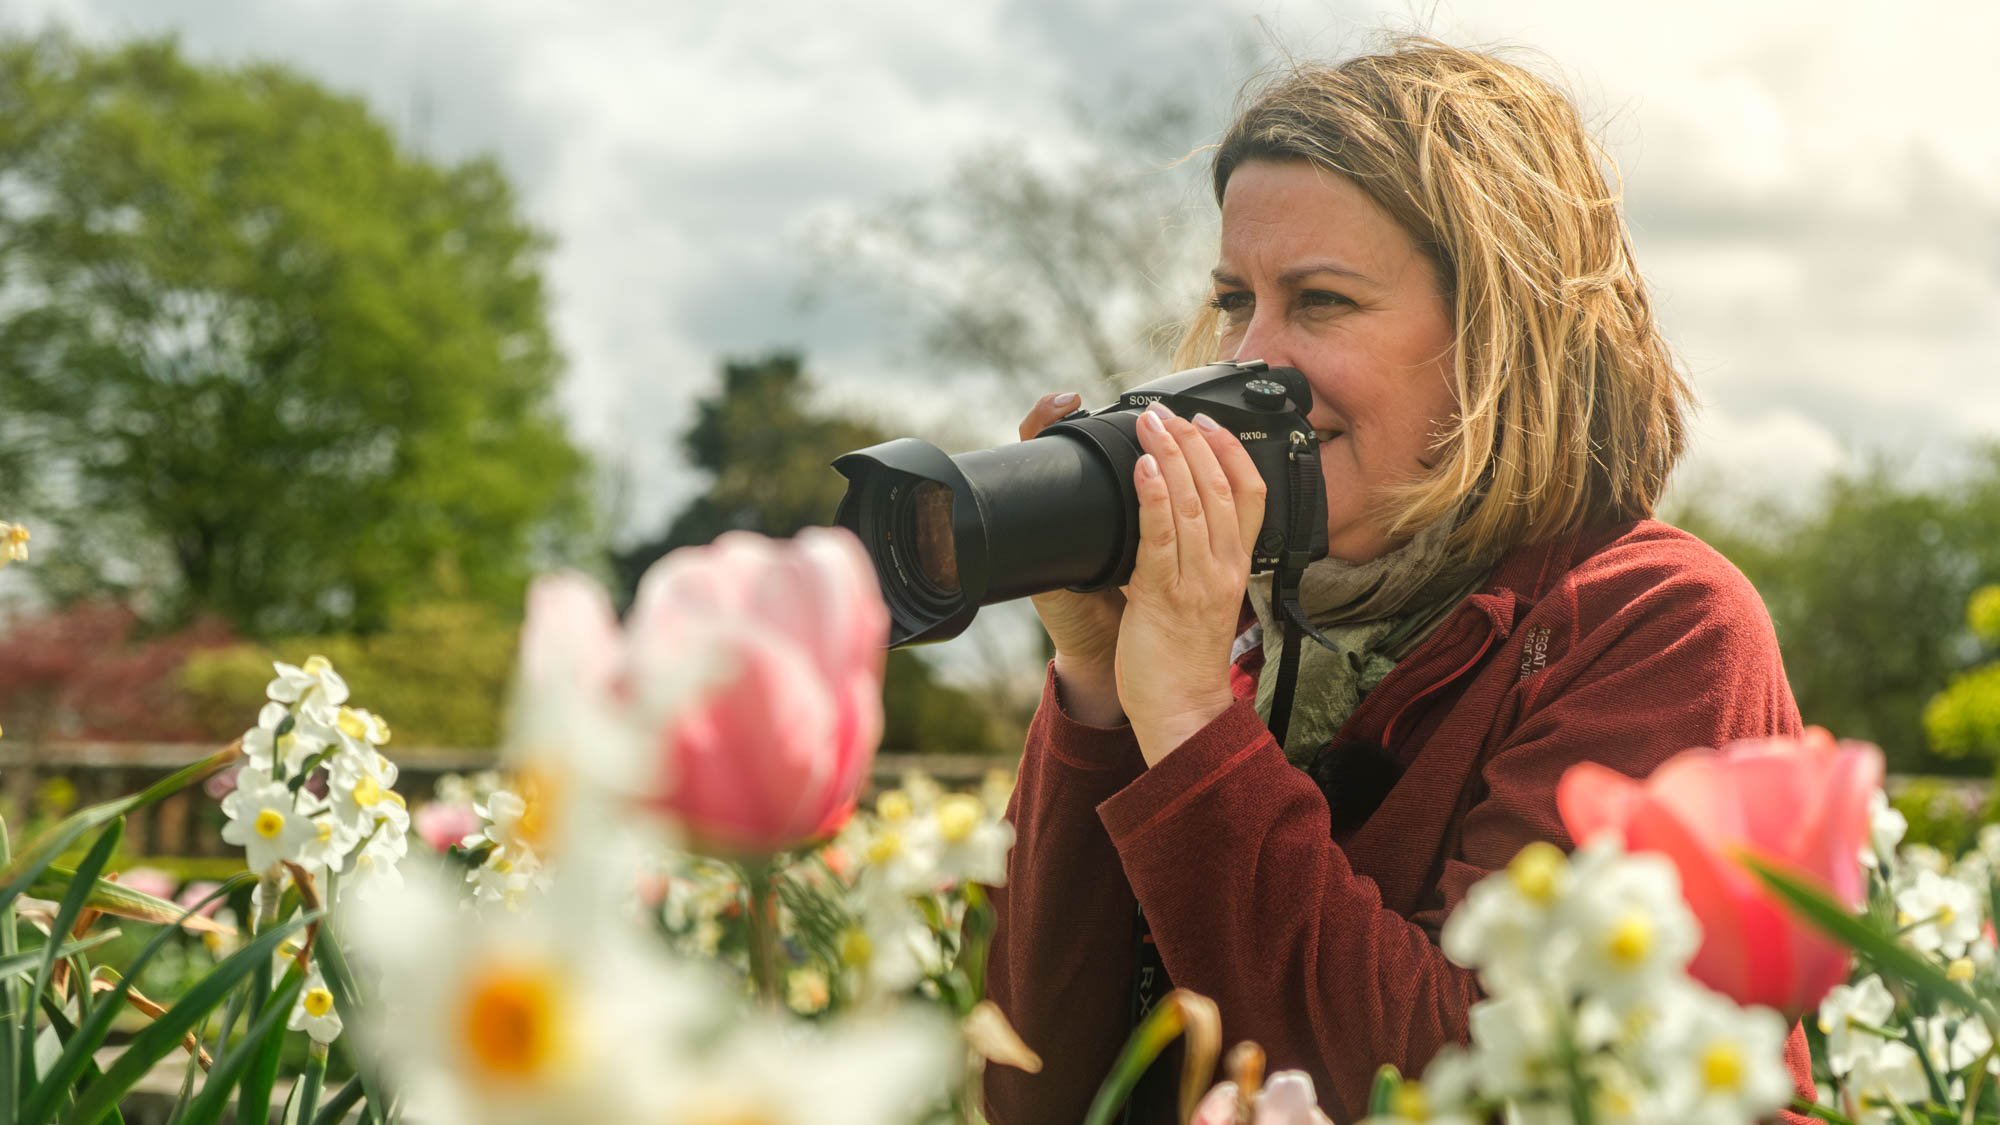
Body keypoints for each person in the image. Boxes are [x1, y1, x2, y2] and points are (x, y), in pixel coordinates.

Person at [982, 38, 1816, 1125]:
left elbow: (1470, 1088)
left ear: (1499, 340)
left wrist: (1188, 719)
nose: (1253, 357)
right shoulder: (1226, 625)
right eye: (1235, 299)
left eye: (1319, 302)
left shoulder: (1653, 625)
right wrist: (1097, 685)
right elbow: (1033, 1093)